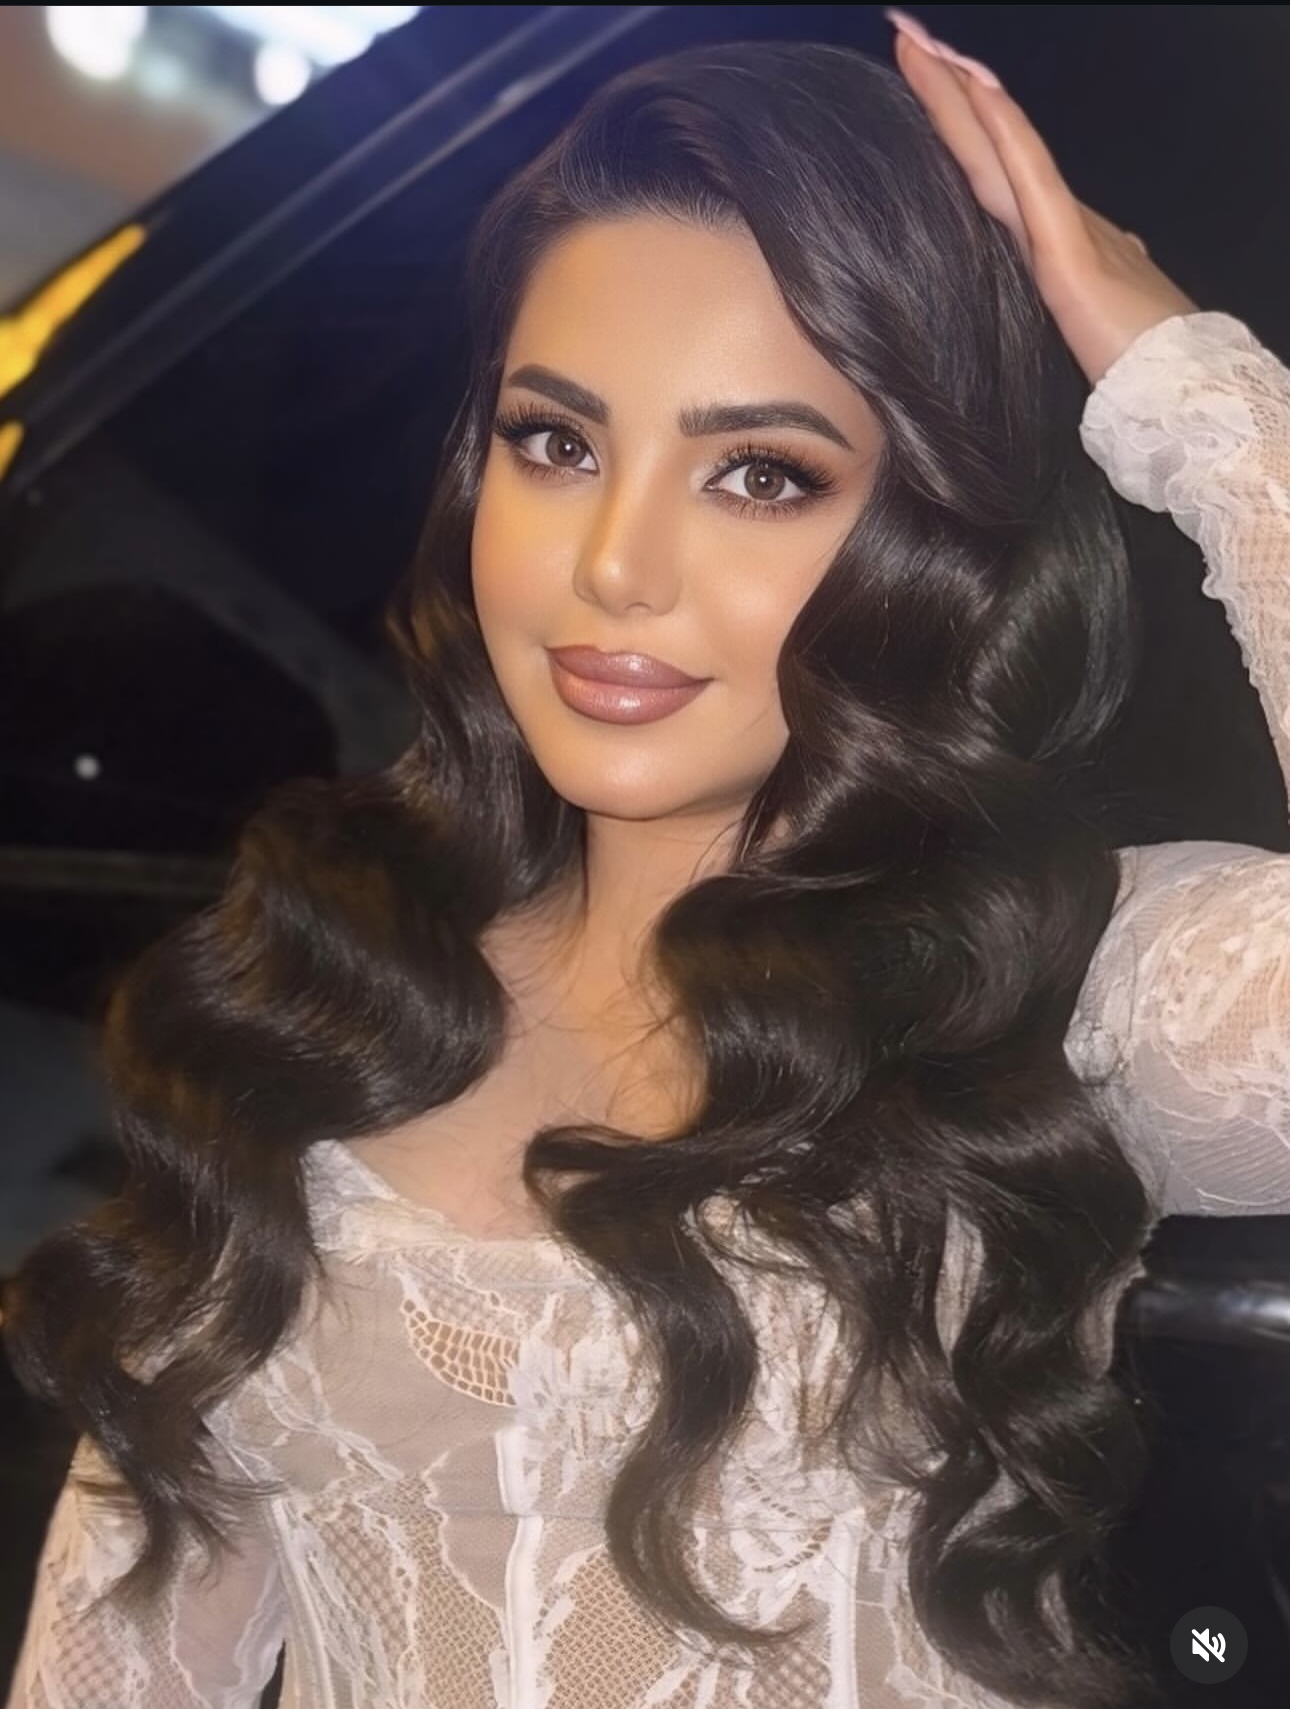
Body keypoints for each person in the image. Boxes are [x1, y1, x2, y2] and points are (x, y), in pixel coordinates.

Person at [4, 14, 1289, 1708]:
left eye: (758, 473)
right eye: (556, 442)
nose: (615, 562)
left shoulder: (1061, 986)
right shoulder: (318, 1005)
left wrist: (1193, 392)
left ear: (930, 542)